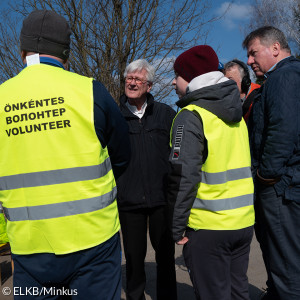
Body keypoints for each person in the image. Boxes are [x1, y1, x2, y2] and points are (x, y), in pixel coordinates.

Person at [0, 10, 130, 300]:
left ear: (22, 50)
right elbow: (122, 156)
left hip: (29, 246)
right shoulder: (90, 91)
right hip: (94, 242)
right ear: (66, 53)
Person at [168, 45, 255, 300]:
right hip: (242, 222)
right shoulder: (236, 113)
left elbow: (184, 176)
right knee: (238, 291)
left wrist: (177, 227)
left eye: (178, 75)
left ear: (192, 77)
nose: (173, 81)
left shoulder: (190, 116)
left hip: (208, 228)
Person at [243, 26, 300, 300]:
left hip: (281, 187)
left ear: (275, 48)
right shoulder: (285, 77)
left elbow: (282, 130)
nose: (249, 61)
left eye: (253, 53)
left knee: (287, 267)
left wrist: (266, 176)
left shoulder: (283, 78)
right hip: (286, 183)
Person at [117, 59, 177, 300]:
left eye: (137, 79)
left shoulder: (165, 114)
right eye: (128, 79)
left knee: (165, 255)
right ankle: (135, 296)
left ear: (149, 86)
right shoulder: (114, 115)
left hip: (162, 197)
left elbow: (179, 151)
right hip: (129, 199)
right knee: (133, 256)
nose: (131, 83)